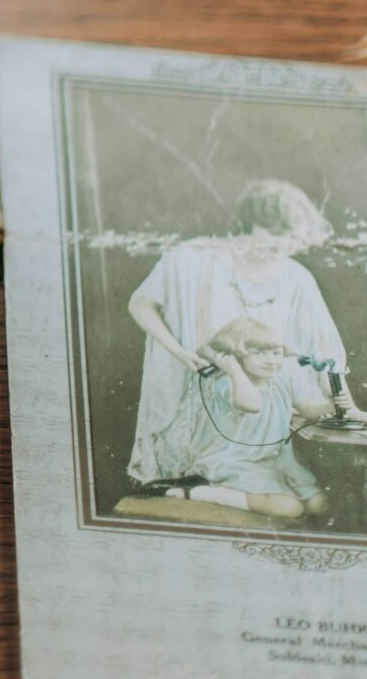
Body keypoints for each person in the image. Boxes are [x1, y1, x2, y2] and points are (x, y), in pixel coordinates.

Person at [124, 179, 346, 486]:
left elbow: (323, 350)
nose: (280, 246)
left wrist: (345, 404)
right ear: (250, 223)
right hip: (198, 401)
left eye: (289, 237)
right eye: (273, 233)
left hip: (254, 413)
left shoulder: (297, 277)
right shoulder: (193, 257)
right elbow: (141, 304)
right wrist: (177, 351)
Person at [145, 318, 330, 519]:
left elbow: (308, 409)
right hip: (233, 460)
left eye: (276, 353)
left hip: (276, 460)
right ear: (234, 357)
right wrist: (232, 369)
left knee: (318, 505)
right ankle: (201, 492)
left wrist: (333, 402)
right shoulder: (227, 383)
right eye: (258, 353)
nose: (271, 361)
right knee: (290, 508)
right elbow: (252, 405)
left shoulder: (280, 381)